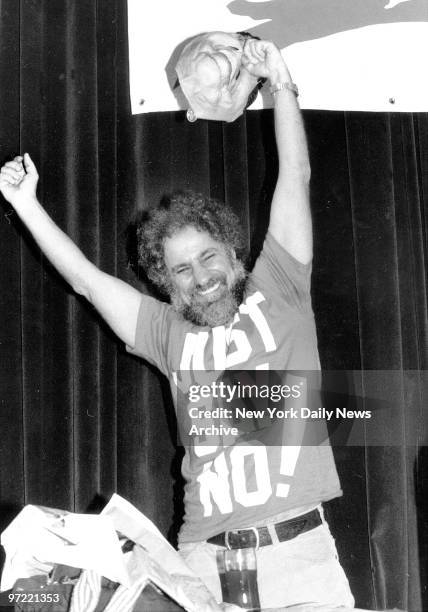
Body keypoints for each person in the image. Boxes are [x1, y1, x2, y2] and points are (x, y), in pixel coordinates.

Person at [0, 39, 354, 609]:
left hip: (301, 561)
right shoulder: (168, 334)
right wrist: (26, 204)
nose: (201, 276)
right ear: (166, 282)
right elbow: (88, 281)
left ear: (235, 254)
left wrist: (281, 84)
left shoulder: (281, 289)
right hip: (203, 564)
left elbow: (296, 173)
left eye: (209, 256)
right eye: (181, 269)